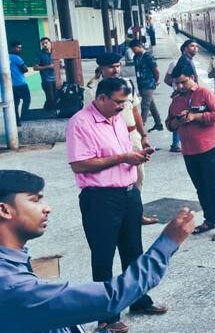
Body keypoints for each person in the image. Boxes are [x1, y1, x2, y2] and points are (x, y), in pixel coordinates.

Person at [0, 170, 196, 333]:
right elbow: (110, 297)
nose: (47, 208)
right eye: (35, 200)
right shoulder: (11, 286)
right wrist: (167, 243)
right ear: (4, 210)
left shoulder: (12, 260)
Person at [66, 77, 168, 332]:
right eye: (119, 102)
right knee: (103, 256)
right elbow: (80, 164)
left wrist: (135, 158)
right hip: (101, 199)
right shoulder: (80, 123)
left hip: (129, 194)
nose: (123, 107)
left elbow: (120, 155)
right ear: (101, 98)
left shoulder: (118, 119)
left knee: (133, 250)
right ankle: (106, 315)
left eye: (126, 102)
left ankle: (139, 300)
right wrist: (123, 157)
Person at [84, 53, 158, 226]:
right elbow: (89, 118)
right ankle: (119, 214)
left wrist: (143, 135)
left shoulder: (127, 84)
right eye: (111, 66)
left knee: (138, 175)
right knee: (116, 176)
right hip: (109, 138)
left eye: (118, 65)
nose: (115, 70)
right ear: (101, 68)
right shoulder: (92, 90)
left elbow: (135, 111)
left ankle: (136, 213)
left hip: (132, 136)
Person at [166, 64, 215, 242]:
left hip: (208, 148)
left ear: (192, 77)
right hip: (189, 150)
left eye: (183, 82)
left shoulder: (205, 93)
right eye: (176, 83)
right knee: (200, 187)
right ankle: (209, 220)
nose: (179, 86)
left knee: (214, 187)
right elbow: (169, 123)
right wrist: (177, 122)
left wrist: (196, 117)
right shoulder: (176, 99)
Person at [164, 40, 199, 152]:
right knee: (178, 116)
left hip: (189, 93)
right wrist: (178, 88)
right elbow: (168, 79)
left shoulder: (189, 61)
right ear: (185, 49)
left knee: (185, 116)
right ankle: (175, 144)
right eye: (192, 46)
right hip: (182, 95)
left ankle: (181, 142)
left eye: (196, 46)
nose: (195, 48)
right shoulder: (177, 63)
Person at [130, 39, 163, 132]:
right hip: (141, 84)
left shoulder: (148, 56)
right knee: (151, 104)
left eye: (135, 49)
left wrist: (156, 81)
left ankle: (141, 125)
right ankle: (158, 124)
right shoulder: (135, 57)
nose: (133, 51)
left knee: (145, 105)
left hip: (149, 84)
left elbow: (156, 71)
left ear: (140, 47)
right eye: (132, 49)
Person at [9, 41, 30, 125]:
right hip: (20, 84)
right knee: (27, 100)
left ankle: (17, 121)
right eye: (18, 47)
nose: (20, 49)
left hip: (10, 85)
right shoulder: (16, 58)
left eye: (20, 47)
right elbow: (25, 69)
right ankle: (24, 117)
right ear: (12, 48)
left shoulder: (3, 57)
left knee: (15, 104)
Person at [33, 37, 56, 111]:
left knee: (56, 97)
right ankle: (50, 112)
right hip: (46, 80)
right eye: (43, 44)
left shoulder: (55, 52)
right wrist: (49, 66)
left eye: (46, 43)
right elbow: (35, 67)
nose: (45, 45)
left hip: (57, 79)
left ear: (50, 43)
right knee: (50, 98)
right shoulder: (39, 54)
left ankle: (46, 110)